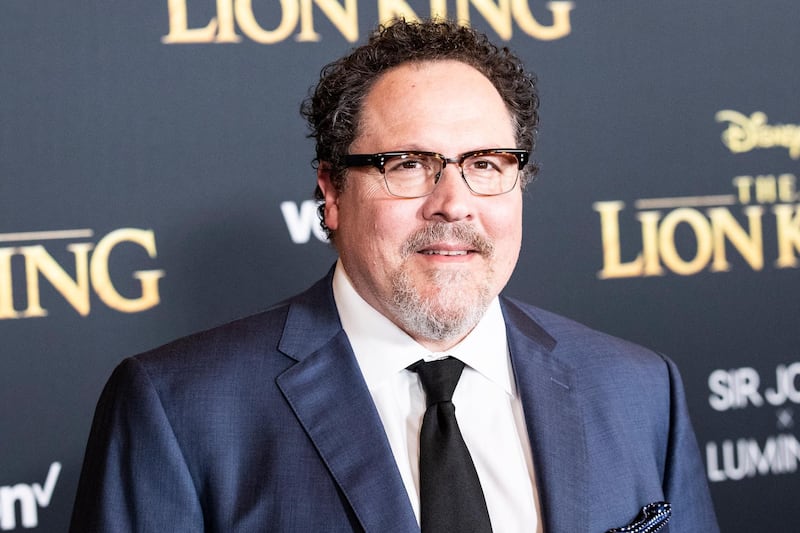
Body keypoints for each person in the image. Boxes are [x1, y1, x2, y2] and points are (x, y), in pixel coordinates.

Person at [70, 19, 719, 533]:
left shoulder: (639, 389)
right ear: (330, 191)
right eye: (408, 163)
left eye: (486, 164)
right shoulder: (179, 410)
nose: (453, 202)